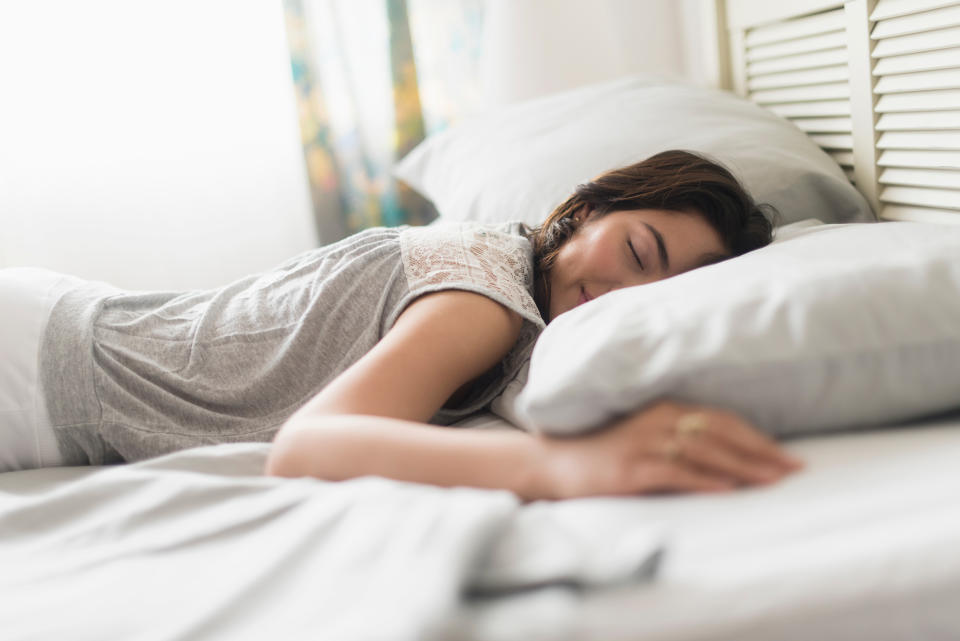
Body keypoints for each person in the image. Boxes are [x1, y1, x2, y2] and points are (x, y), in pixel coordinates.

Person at [0, 150, 802, 500]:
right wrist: (561, 467)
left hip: (63, 327)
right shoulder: (487, 295)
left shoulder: (503, 264)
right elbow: (311, 447)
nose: (628, 292)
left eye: (660, 291)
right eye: (638, 249)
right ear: (586, 211)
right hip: (33, 371)